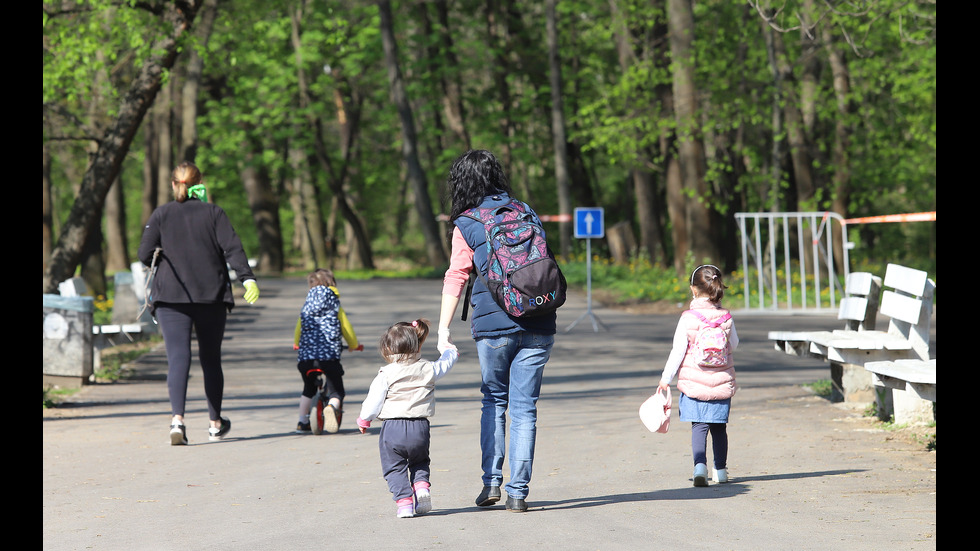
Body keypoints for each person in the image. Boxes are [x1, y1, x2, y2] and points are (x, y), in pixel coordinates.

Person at [436, 149, 556, 513]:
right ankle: (518, 492)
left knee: (494, 400)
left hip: (493, 326)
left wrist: (443, 329)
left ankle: (491, 482)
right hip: (538, 318)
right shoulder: (525, 211)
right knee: (525, 409)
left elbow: (457, 275)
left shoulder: (467, 223)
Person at [138, 161, 260, 446]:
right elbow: (232, 247)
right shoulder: (213, 212)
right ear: (199, 184)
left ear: (173, 184)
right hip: (211, 296)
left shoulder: (161, 214)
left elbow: (144, 253)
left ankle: (177, 420)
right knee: (210, 359)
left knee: (178, 358)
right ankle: (215, 424)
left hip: (170, 296)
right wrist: (247, 279)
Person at [356, 319, 459, 518]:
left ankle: (404, 503)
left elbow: (373, 400)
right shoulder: (428, 368)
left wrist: (364, 419)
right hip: (420, 427)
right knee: (420, 461)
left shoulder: (386, 373)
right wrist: (450, 349)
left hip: (393, 428)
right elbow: (446, 363)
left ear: (387, 348)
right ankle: (421, 488)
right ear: (417, 343)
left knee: (394, 467)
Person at [657, 264, 739, 486]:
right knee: (719, 428)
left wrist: (666, 379)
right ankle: (720, 471)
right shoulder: (726, 317)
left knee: (699, 426)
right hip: (722, 382)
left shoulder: (688, 318)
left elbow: (678, 351)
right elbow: (735, 344)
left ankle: (699, 467)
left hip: (694, 383)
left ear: (693, 289)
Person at [293, 268, 363, 433]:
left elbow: (299, 328)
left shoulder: (306, 306)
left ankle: (302, 422)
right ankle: (332, 406)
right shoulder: (335, 305)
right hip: (328, 358)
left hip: (306, 359)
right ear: (332, 283)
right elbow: (346, 328)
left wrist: (297, 343)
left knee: (307, 389)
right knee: (337, 390)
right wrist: (353, 345)